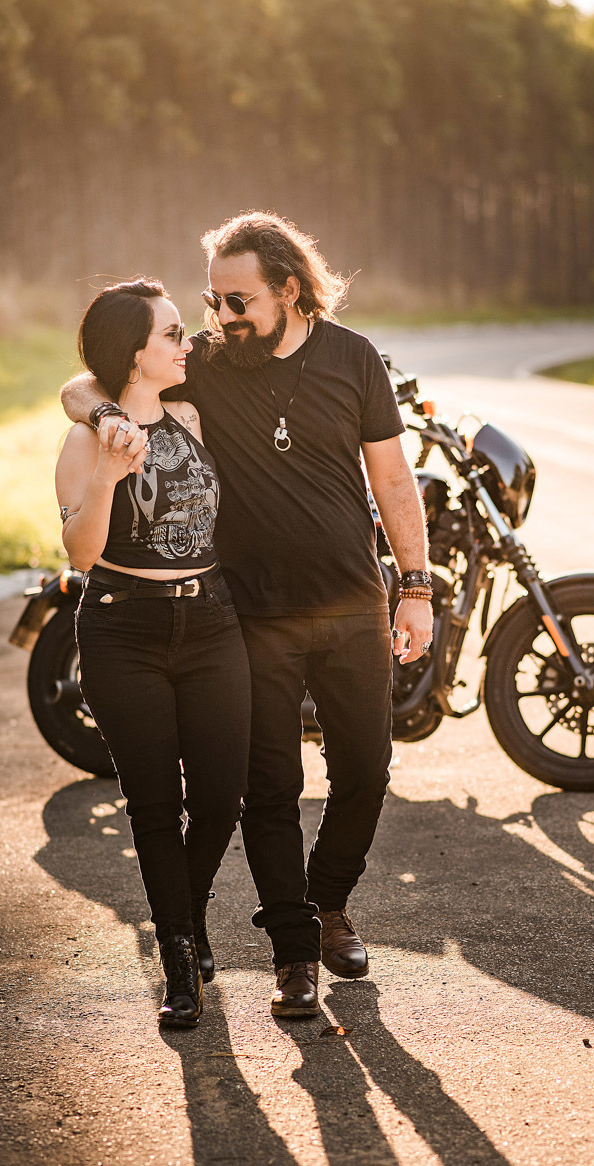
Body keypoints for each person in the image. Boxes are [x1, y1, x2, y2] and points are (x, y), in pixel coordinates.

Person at [61, 213, 433, 1019]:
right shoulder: (209, 364)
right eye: (211, 300)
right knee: (269, 790)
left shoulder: (352, 358)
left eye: (237, 301)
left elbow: (394, 480)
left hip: (350, 602)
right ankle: (294, 951)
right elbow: (93, 379)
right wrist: (100, 419)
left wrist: (416, 586)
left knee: (366, 771)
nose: (220, 318)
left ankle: (327, 900)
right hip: (251, 616)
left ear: (288, 289)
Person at [55, 278, 251, 1029]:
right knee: (153, 805)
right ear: (134, 354)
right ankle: (179, 957)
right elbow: (80, 551)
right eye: (171, 333)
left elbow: (81, 384)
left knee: (221, 794)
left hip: (210, 623)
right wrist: (107, 469)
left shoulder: (192, 413)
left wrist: (107, 404)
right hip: (121, 630)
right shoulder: (83, 441)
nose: (187, 342)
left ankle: (184, 918)